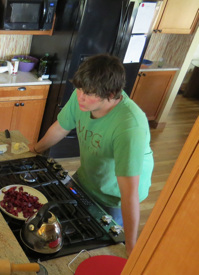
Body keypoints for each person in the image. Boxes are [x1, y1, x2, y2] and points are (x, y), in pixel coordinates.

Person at [33, 54, 154, 256]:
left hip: (115, 193)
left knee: (99, 242)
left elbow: (129, 194)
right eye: (79, 88)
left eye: (89, 93)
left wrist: (132, 247)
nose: (80, 96)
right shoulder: (82, 97)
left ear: (113, 93)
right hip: (88, 177)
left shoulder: (130, 126)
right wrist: (35, 150)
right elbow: (60, 128)